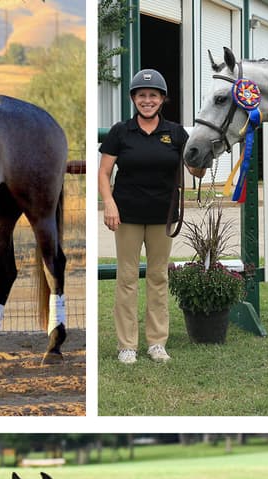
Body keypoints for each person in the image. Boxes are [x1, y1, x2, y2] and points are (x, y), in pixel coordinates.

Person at [99, 68, 188, 365]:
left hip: (163, 214)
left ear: (162, 99)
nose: (147, 100)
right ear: (133, 99)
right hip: (127, 215)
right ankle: (127, 345)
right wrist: (109, 203)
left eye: (153, 95)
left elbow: (195, 168)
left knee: (158, 276)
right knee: (126, 278)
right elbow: (103, 173)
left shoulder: (176, 133)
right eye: (141, 95)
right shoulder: (120, 132)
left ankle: (157, 342)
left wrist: (206, 154)